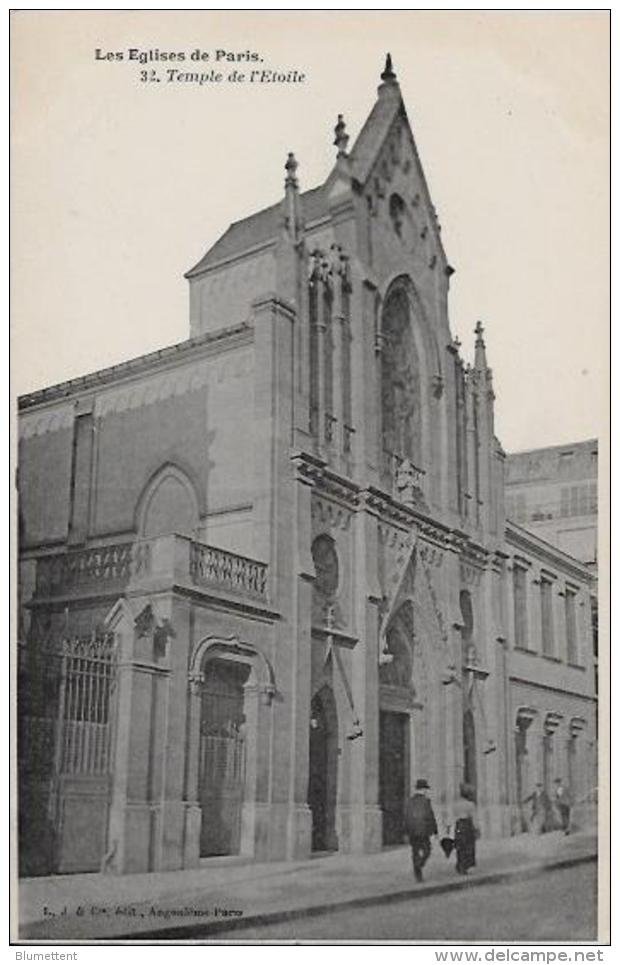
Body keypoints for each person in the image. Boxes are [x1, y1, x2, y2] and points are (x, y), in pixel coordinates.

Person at [403, 778, 438, 882]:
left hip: (412, 831)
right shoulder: (426, 801)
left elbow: (406, 816)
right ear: (423, 789)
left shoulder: (410, 801)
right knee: (427, 850)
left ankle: (418, 874)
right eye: (426, 789)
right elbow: (430, 816)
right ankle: (420, 864)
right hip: (423, 831)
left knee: (415, 852)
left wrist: (405, 831)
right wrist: (435, 831)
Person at [453, 783, 478, 875]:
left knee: (460, 846)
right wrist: (476, 828)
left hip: (459, 825)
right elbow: (474, 817)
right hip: (467, 825)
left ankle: (459, 864)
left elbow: (454, 816)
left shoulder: (456, 804)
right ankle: (465, 866)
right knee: (468, 846)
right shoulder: (470, 805)